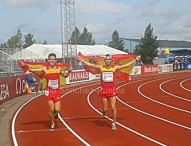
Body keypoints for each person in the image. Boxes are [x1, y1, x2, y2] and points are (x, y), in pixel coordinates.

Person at [78, 54, 141, 131]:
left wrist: (135, 60)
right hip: (104, 90)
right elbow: (90, 64)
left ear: (111, 61)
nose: (108, 61)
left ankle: (113, 123)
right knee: (105, 109)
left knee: (113, 107)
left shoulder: (114, 68)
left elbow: (126, 65)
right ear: (105, 61)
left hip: (112, 90)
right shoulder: (101, 68)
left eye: (109, 60)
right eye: (106, 59)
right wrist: (81, 59)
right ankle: (104, 111)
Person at [22, 53, 73, 131]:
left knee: (57, 110)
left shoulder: (58, 68)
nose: (52, 60)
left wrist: (69, 71)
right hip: (49, 91)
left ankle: (56, 114)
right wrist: (25, 66)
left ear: (55, 60)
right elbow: (33, 70)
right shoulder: (45, 69)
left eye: (53, 59)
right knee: (51, 109)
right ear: (48, 60)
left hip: (57, 91)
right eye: (51, 59)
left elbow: (65, 75)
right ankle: (52, 123)